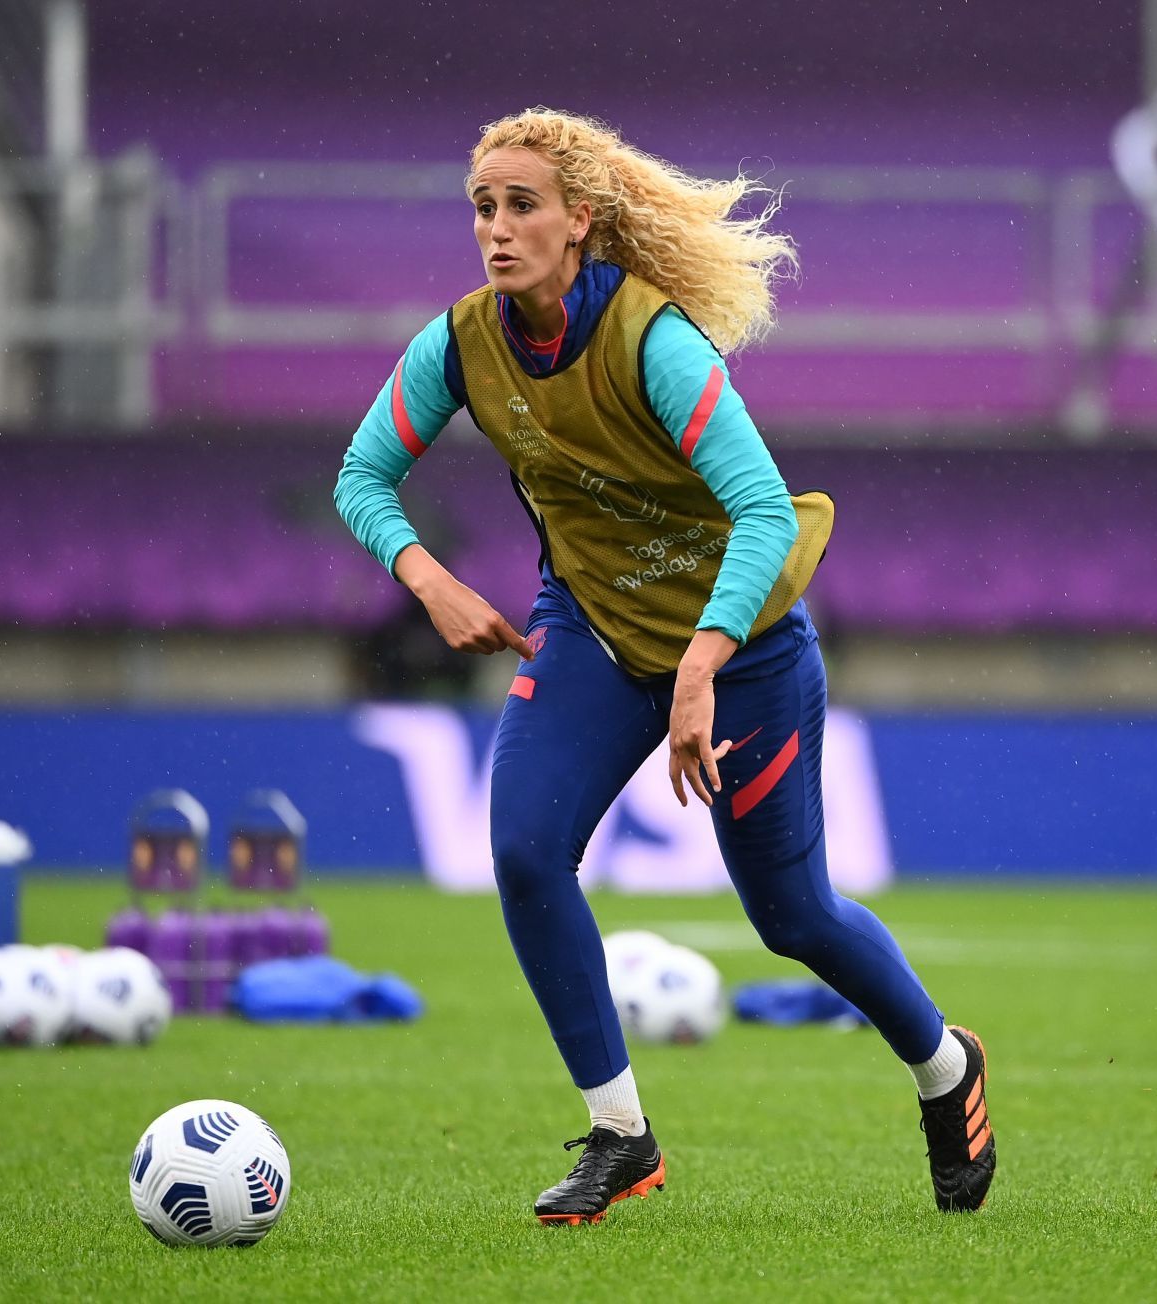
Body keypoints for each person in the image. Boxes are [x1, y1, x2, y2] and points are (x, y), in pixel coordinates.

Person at [333, 108, 994, 1221]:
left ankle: (947, 1068)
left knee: (792, 916)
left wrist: (701, 668)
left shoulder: (657, 342)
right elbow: (361, 474)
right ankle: (621, 1137)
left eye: (523, 205)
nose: (497, 228)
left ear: (580, 220)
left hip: (743, 653)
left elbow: (762, 513)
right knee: (526, 851)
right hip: (590, 630)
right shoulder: (458, 342)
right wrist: (432, 580)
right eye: (483, 207)